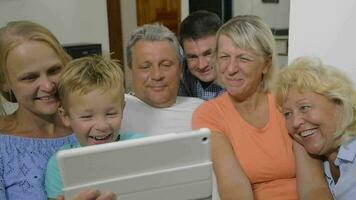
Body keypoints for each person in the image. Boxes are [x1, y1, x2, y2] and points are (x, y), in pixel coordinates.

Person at [0, 21, 114, 200]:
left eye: (54, 70)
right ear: (4, 83)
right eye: (30, 77)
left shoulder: (98, 126)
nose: (47, 85)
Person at [192, 15, 298, 199]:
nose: (231, 68)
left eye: (244, 58)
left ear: (266, 63)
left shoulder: (287, 100)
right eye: (224, 57)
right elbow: (233, 187)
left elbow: (314, 182)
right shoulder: (209, 115)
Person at [45, 55, 142, 199]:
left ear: (122, 110)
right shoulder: (60, 165)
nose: (102, 126)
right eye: (86, 117)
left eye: (111, 113)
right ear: (65, 117)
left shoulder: (140, 146)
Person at [274, 56, 355, 199]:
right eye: (288, 114)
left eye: (304, 107)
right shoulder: (321, 161)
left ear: (339, 103)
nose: (295, 122)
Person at [121, 23, 204, 136]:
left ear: (180, 70)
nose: (157, 75)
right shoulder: (116, 111)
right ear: (131, 72)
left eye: (166, 65)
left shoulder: (202, 110)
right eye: (146, 67)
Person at [178, 10, 224, 100]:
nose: (201, 65)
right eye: (192, 57)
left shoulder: (239, 82)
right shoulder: (181, 72)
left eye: (208, 54)